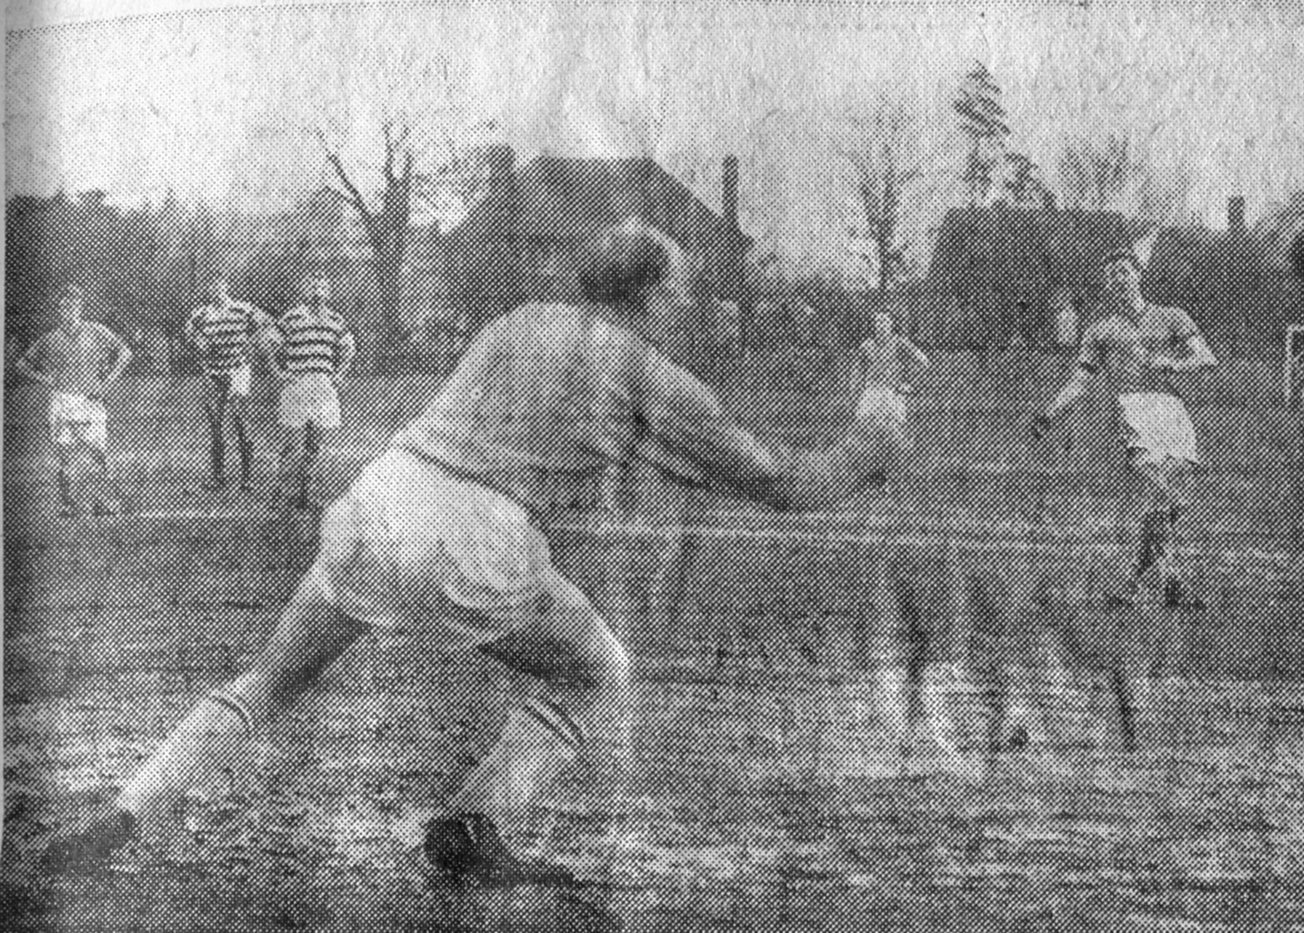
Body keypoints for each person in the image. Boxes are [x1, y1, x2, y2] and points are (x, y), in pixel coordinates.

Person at [42, 220, 901, 884]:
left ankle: (124, 811)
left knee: (269, 680)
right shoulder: (647, 374)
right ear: (646, 295)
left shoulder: (518, 322)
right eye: (677, 288)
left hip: (381, 494)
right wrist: (874, 429)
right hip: (476, 538)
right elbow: (788, 485)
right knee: (598, 667)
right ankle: (472, 820)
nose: (684, 303)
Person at [1030, 250, 1218, 608]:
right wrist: (1049, 414)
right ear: (1107, 284)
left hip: (1173, 411)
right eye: (1111, 274)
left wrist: (1174, 364)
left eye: (1124, 271)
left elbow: (1206, 358)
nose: (1118, 278)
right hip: (1134, 411)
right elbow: (1079, 382)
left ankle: (1134, 586)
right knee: (1164, 497)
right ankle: (1172, 579)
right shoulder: (1100, 331)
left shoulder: (1172, 317)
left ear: (1138, 273)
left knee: (1163, 505)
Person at [14, 284, 133, 516]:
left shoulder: (96, 330)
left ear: (80, 307)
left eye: (72, 305)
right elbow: (21, 364)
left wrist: (106, 383)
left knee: (98, 453)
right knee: (65, 456)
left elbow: (125, 353)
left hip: (90, 401)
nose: (68, 310)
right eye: (63, 307)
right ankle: (68, 505)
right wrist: (43, 378)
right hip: (61, 402)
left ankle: (108, 501)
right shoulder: (50, 338)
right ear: (59, 311)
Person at [268, 272, 355, 511]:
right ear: (305, 290)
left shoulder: (336, 320)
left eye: (322, 286)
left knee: (314, 445)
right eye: (312, 286)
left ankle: (307, 494)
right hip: (297, 385)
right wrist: (279, 372)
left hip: (323, 386)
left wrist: (339, 374)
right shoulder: (292, 317)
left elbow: (349, 348)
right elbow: (270, 343)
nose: (317, 290)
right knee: (292, 445)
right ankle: (283, 491)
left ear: (329, 291)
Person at [186, 277, 268, 491]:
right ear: (208, 288)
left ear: (226, 286)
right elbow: (190, 336)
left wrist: (250, 347)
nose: (215, 289)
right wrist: (198, 342)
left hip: (237, 372)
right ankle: (218, 478)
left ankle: (248, 478)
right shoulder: (201, 314)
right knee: (217, 425)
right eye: (211, 285)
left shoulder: (242, 309)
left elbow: (265, 324)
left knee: (241, 421)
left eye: (219, 284)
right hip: (213, 373)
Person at [857, 307, 931, 442]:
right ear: (874, 325)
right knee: (866, 428)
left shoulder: (900, 343)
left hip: (893, 391)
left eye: (885, 321)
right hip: (872, 391)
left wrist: (909, 383)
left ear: (891, 323)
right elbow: (857, 371)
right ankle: (869, 458)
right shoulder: (866, 345)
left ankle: (901, 456)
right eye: (878, 322)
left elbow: (923, 361)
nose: (881, 325)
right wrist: (856, 390)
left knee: (894, 429)